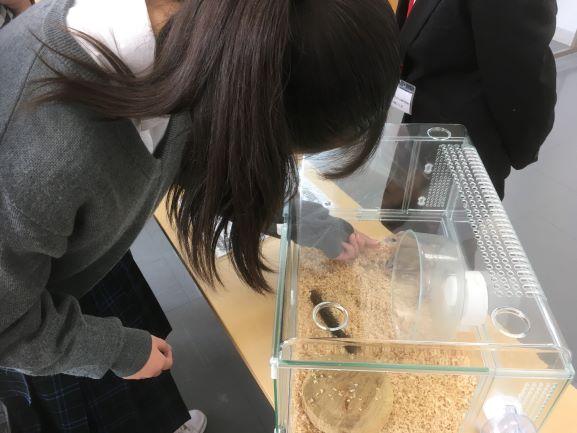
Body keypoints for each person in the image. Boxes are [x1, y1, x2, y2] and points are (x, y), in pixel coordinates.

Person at [0, 0, 401, 432]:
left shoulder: (195, 43)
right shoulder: (45, 153)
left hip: (86, 258)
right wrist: (115, 350)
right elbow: (11, 325)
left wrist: (318, 227)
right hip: (31, 314)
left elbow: (210, 166)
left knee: (148, 380)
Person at [382, 0, 557, 201]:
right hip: (412, 134)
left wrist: (508, 152)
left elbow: (522, 84)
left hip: (459, 153)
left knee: (434, 220)